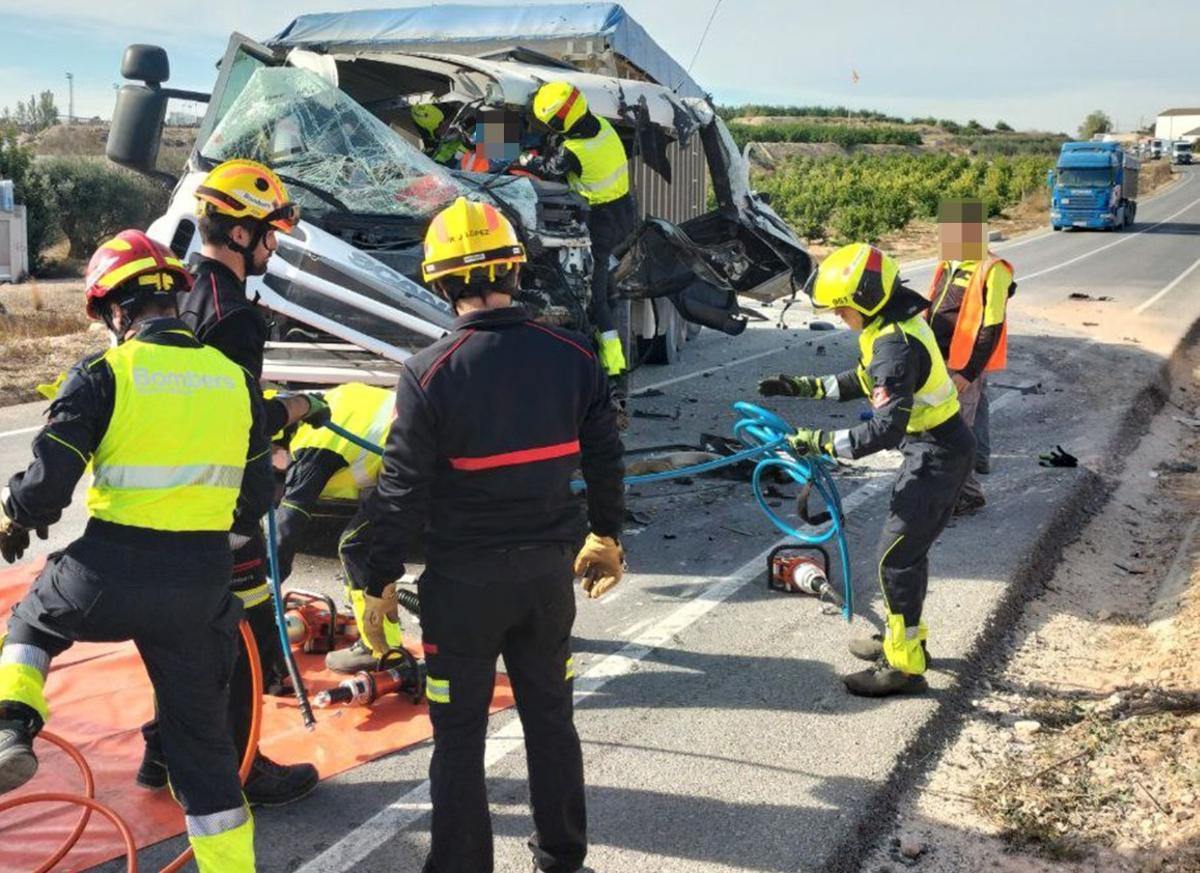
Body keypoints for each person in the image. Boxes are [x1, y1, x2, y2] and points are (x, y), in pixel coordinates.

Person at [366, 197, 625, 872]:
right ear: (515, 269)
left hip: (462, 588)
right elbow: (604, 455)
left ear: (442, 282)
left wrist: (377, 577)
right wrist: (607, 533)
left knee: (458, 738)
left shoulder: (428, 372)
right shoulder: (572, 353)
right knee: (550, 720)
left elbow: (401, 490)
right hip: (547, 577)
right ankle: (563, 857)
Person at [0, 230, 273, 868]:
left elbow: (47, 487)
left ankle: (13, 723)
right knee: (205, 753)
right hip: (200, 585)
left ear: (117, 311)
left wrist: (17, 518)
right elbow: (255, 495)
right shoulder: (234, 381)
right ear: (173, 302)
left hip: (105, 574)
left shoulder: (103, 373)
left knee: (33, 620)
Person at [145, 157, 324, 806]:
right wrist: (290, 420)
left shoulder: (183, 292)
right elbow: (239, 417)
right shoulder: (237, 316)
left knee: (180, 630)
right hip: (221, 498)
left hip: (169, 493)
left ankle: (159, 753)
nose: (274, 244)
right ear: (242, 234)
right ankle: (243, 766)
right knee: (238, 633)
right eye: (270, 231)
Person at [758, 243, 974, 697]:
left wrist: (816, 442)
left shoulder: (895, 343)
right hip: (934, 449)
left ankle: (905, 667)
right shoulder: (888, 328)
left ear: (865, 301)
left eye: (842, 309)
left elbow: (881, 431)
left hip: (936, 454)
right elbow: (866, 380)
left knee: (894, 560)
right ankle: (905, 641)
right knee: (905, 556)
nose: (839, 317)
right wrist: (804, 387)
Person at [272, 382, 404, 674]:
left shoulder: (312, 445)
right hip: (419, 448)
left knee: (355, 544)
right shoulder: (321, 410)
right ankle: (386, 647)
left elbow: (286, 529)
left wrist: (261, 590)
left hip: (417, 459)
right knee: (365, 544)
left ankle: (380, 650)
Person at [522, 81, 637, 384]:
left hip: (601, 221)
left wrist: (525, 159)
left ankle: (614, 368)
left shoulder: (574, 151)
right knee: (604, 289)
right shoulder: (601, 125)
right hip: (625, 211)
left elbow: (547, 169)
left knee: (597, 300)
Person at [926, 198, 1014, 513]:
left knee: (951, 432)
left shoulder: (992, 269)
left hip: (961, 365)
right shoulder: (949, 265)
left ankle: (966, 494)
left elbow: (991, 328)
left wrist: (968, 373)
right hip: (940, 360)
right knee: (967, 422)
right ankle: (975, 467)